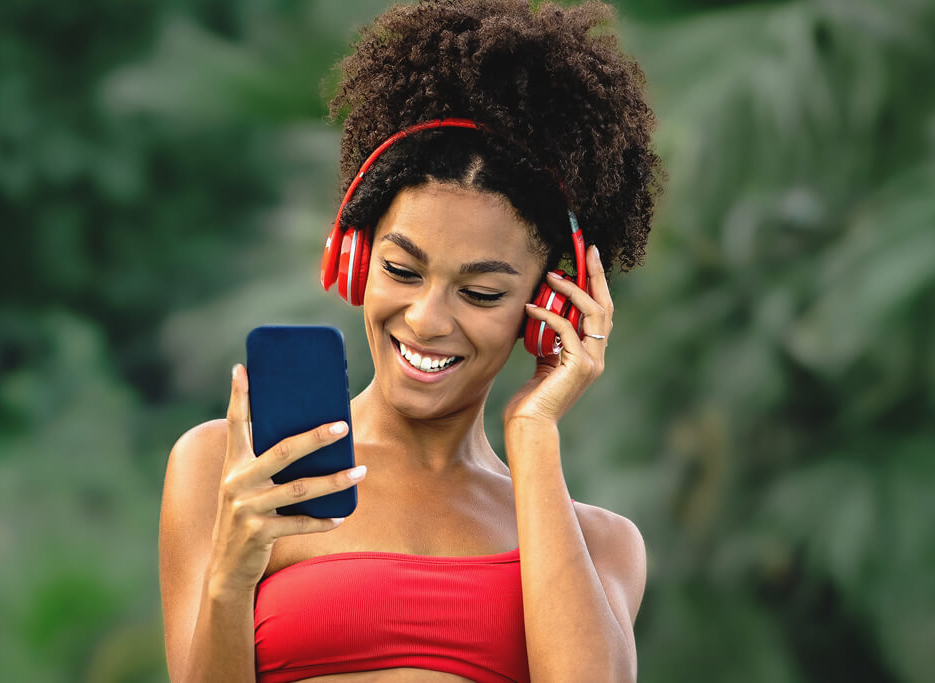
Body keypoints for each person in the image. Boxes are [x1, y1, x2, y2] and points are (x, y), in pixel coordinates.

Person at [159, 0, 662, 680]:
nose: (427, 318)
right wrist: (228, 576)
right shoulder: (230, 468)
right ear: (354, 258)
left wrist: (535, 428)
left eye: (481, 292)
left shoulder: (602, 544)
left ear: (546, 307)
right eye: (402, 269)